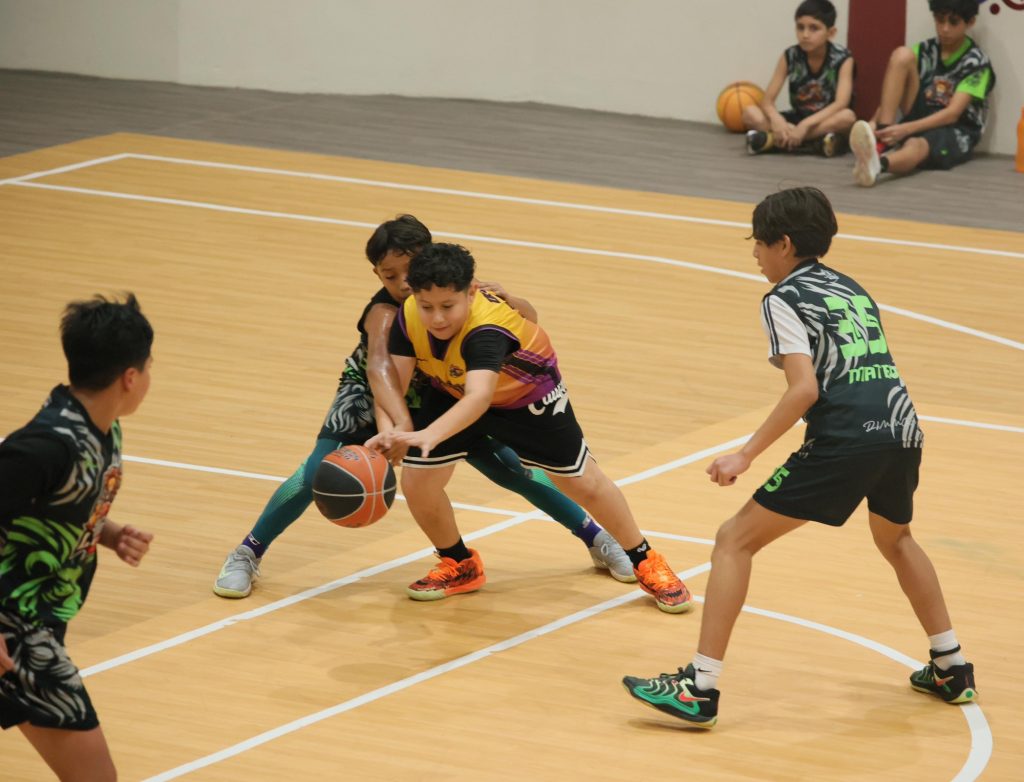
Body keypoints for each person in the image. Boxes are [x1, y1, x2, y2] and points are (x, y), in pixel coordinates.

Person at [622, 187, 976, 726]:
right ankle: (952, 666)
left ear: (783, 244)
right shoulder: (852, 288)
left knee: (733, 540)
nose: (754, 253)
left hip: (847, 438)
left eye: (758, 243)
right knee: (897, 540)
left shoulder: (782, 297)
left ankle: (699, 687)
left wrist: (745, 455)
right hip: (902, 429)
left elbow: (804, 389)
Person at [214, 215, 633, 598]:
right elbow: (380, 370)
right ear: (377, 274)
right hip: (371, 393)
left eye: (408, 270)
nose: (401, 283)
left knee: (511, 468)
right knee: (317, 473)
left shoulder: (458, 292)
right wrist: (396, 426)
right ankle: (247, 552)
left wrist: (513, 299)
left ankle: (598, 538)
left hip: (441, 388)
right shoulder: (384, 312)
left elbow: (526, 323)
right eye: (389, 275)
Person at [367, 242, 692, 613]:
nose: (437, 318)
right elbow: (392, 381)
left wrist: (428, 434)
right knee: (418, 481)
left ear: (471, 293)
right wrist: (388, 429)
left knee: (583, 483)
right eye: (427, 307)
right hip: (452, 390)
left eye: (447, 306)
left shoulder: (487, 329)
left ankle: (645, 559)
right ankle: (459, 562)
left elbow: (479, 397)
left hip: (526, 395)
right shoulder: (410, 312)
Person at [0, 294, 155, 781]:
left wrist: (105, 531)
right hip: (16, 629)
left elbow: (40, 508)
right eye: (149, 367)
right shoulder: (46, 446)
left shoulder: (101, 428)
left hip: (40, 620)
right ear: (130, 377)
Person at [851, 0, 995, 187]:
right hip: (920, 114)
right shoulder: (926, 49)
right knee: (902, 55)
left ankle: (878, 165)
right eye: (940, 20)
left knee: (916, 145)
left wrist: (906, 129)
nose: (945, 29)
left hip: (954, 129)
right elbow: (895, 90)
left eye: (953, 22)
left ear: (970, 22)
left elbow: (952, 114)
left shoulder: (977, 63)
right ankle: (881, 138)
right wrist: (874, 121)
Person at [744, 0, 856, 157]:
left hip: (823, 120)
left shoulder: (843, 59)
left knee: (847, 117)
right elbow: (767, 102)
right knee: (750, 113)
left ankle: (775, 141)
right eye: (800, 27)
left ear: (831, 33)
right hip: (796, 118)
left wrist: (804, 126)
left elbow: (841, 103)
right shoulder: (790, 56)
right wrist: (777, 121)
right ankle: (811, 143)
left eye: (814, 28)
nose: (805, 35)